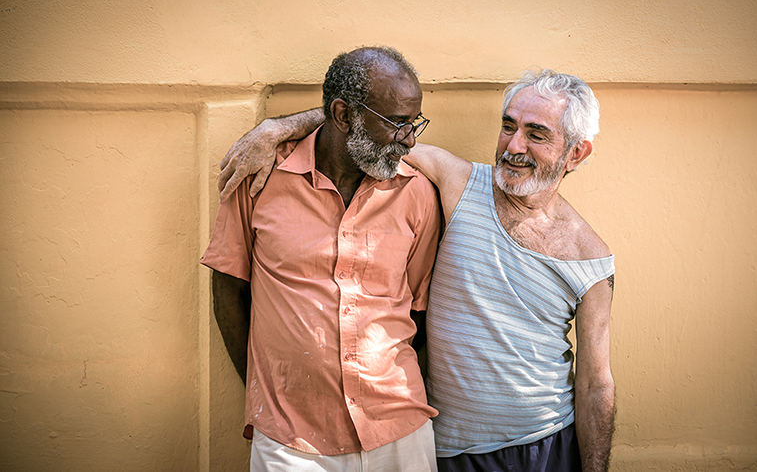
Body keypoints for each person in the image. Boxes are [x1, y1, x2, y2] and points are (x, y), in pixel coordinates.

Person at [219, 69, 616, 472]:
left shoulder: (590, 259)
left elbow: (595, 384)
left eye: (537, 134)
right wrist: (276, 129)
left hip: (543, 446)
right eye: (508, 126)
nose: (514, 146)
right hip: (446, 450)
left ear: (576, 153)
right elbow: (365, 125)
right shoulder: (458, 182)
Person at [201, 46, 442, 471]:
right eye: (398, 124)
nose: (411, 139)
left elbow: (419, 310)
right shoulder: (260, 178)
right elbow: (228, 292)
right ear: (344, 115)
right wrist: (271, 390)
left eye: (414, 122)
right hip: (291, 439)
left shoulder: (416, 191)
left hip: (398, 431)